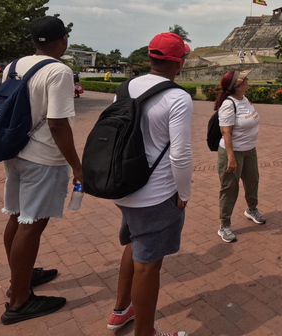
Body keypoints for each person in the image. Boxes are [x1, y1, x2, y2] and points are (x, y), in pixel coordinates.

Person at [107, 32, 193, 336]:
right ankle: (145, 333)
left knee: (133, 243)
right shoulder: (177, 97)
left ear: (150, 57)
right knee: (148, 264)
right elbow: (180, 154)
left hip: (124, 184)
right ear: (179, 62)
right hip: (155, 193)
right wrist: (184, 193)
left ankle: (121, 310)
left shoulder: (125, 87)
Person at [0, 16, 84, 325]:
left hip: (16, 150)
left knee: (18, 216)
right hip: (44, 156)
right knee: (31, 224)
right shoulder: (59, 71)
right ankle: (19, 299)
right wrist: (77, 165)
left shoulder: (14, 65)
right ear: (63, 40)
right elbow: (57, 123)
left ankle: (20, 274)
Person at [215, 70, 265, 243]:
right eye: (244, 79)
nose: (248, 80)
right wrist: (231, 158)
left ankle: (252, 209)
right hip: (232, 151)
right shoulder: (229, 105)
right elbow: (226, 133)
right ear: (236, 87)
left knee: (253, 181)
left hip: (249, 150)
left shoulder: (244, 99)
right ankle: (224, 225)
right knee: (230, 187)